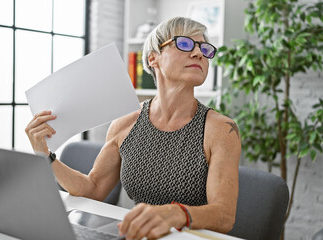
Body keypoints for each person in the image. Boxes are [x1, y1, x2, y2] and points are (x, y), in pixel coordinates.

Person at [25, 16, 241, 240]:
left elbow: (224, 216)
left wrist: (175, 214)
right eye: (184, 44)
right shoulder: (126, 123)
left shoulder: (221, 129)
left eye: (204, 49)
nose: (198, 53)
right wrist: (45, 156)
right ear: (153, 58)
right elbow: (93, 189)